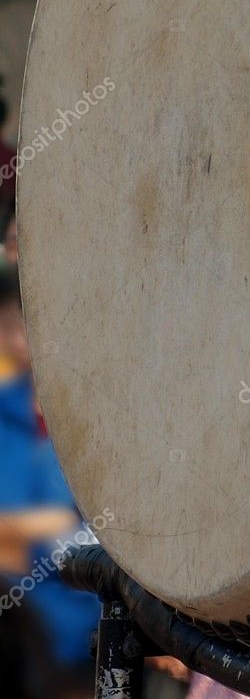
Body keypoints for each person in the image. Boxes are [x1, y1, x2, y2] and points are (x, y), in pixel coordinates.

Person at [0, 266, 99, 697]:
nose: (15, 334)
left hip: (112, 616)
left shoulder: (100, 408)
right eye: (8, 322)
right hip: (33, 627)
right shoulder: (7, 411)